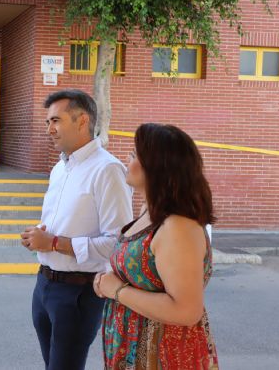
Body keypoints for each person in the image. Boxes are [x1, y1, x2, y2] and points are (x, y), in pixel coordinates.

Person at [21, 89, 132, 370]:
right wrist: (39, 236)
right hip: (44, 285)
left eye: (55, 121)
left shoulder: (107, 170)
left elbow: (117, 244)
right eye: (48, 122)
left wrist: (55, 242)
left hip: (78, 292)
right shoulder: (61, 167)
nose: (49, 129)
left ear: (82, 120)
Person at [94, 123, 219, 369]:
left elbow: (186, 310)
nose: (126, 161)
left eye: (132, 155)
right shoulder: (150, 212)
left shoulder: (178, 227)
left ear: (156, 167)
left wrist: (117, 291)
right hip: (134, 347)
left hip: (162, 355)